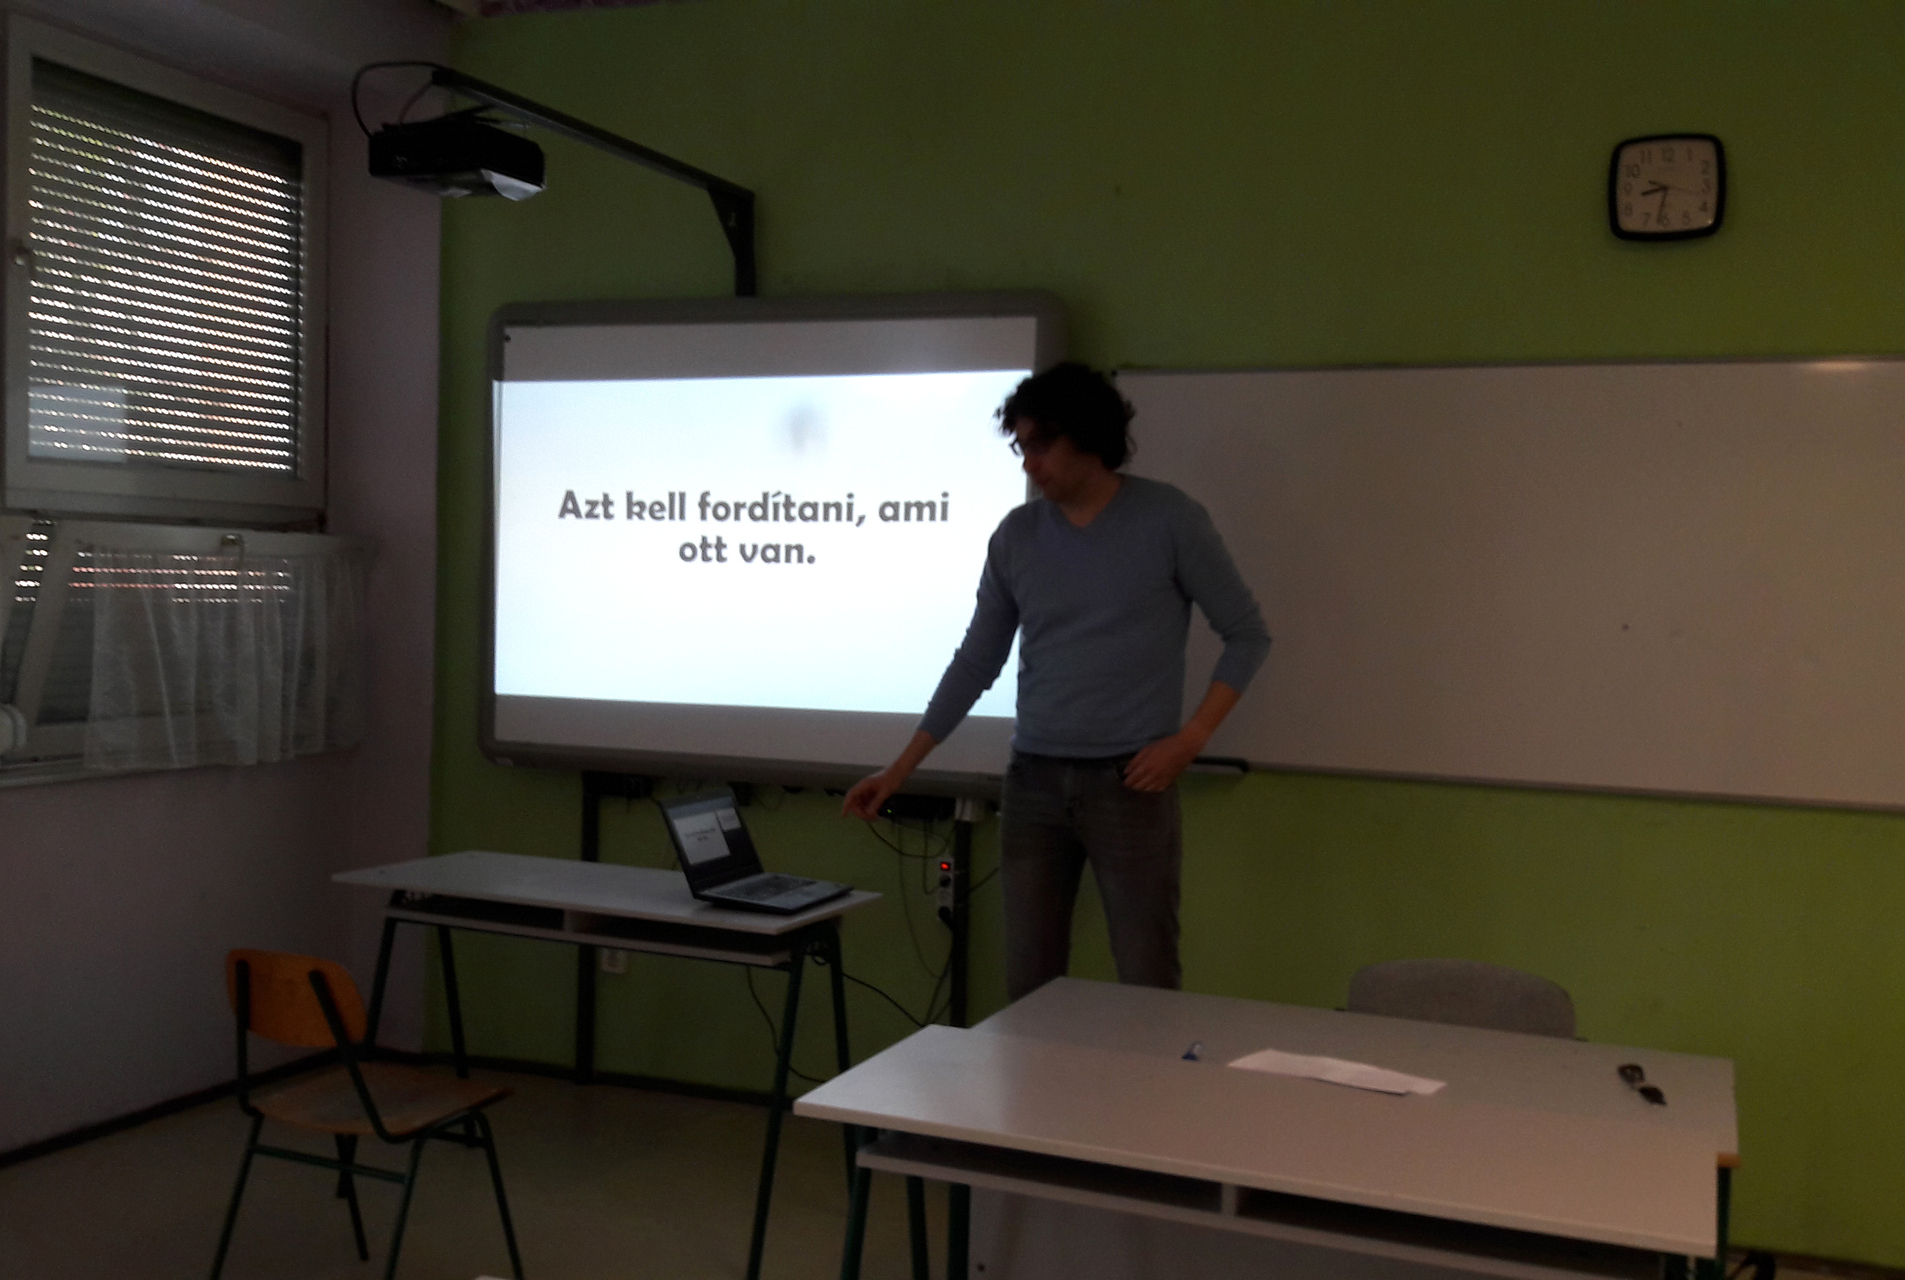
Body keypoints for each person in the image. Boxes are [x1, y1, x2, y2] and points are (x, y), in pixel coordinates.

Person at [843, 362, 1270, 1000]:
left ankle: (1155, 1072)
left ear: (1088, 436)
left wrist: (1190, 740)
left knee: (1147, 976)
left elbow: (1247, 635)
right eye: (1020, 448)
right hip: (1034, 784)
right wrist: (900, 769)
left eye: (1041, 445)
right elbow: (976, 660)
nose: (1029, 464)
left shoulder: (1170, 519)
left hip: (1132, 784)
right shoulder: (1017, 536)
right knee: (1030, 985)